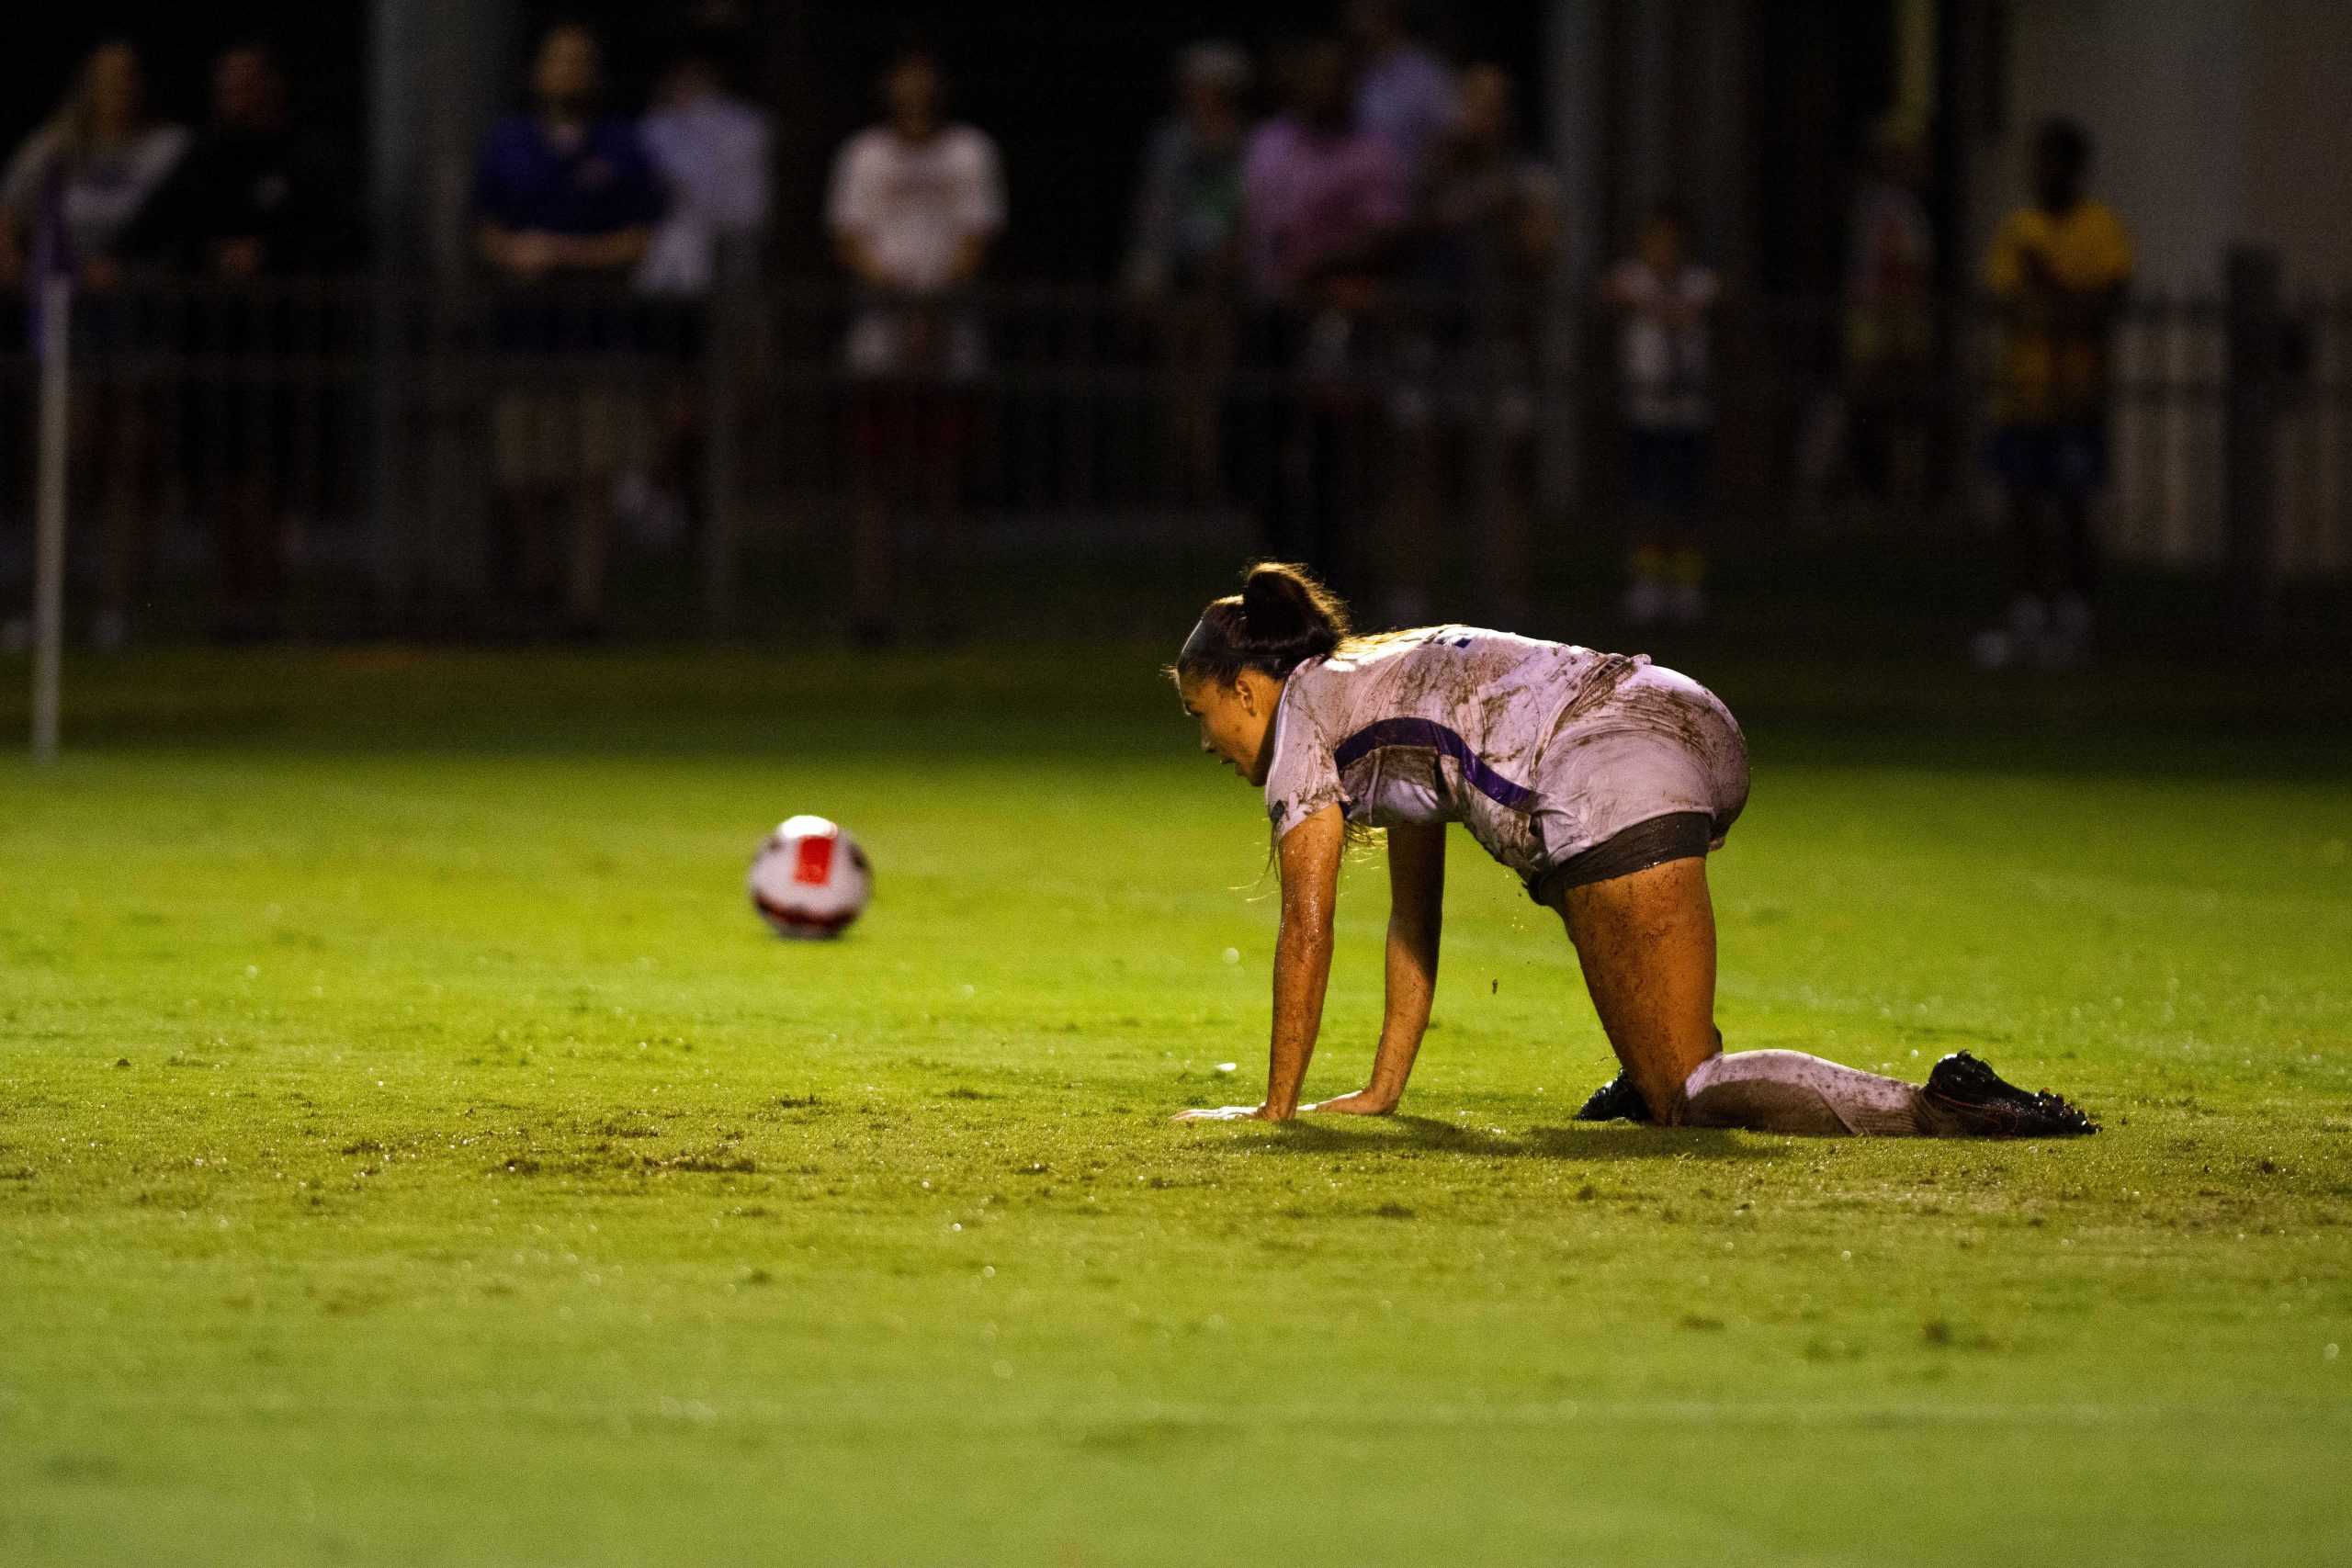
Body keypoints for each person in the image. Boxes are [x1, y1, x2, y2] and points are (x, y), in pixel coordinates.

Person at [1169, 561, 2098, 1137]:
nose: (1207, 742)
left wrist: (1276, 1110)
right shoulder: (1367, 685)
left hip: (1608, 766)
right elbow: (1415, 917)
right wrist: (1379, 1090)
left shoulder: (1299, 715)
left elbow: (1307, 929)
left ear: (1249, 688)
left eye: (1201, 714)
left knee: (1684, 1091)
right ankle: (1653, 1068)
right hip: (1680, 717)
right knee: (1663, 1080)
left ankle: (1943, 1105)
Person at [126, 41, 357, 642]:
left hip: (282, 351)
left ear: (273, 87)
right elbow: (150, 230)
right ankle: (231, 604)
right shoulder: (201, 157)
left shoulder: (306, 156)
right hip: (209, 350)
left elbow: (344, 237)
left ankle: (265, 604)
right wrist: (205, 258)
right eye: (228, 83)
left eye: (248, 82)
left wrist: (271, 257)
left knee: (268, 482)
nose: (237, 95)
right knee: (218, 482)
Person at [471, 22, 663, 637]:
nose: (570, 72)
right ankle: (539, 584)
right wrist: (516, 255)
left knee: (595, 470)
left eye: (582, 61)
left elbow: (641, 237)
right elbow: (484, 228)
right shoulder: (509, 143)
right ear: (536, 72)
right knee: (527, 469)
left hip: (600, 333)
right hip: (527, 333)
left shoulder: (622, 144)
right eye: (559, 60)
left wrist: (566, 256)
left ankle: (586, 606)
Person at [0, 39, 188, 649]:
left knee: (127, 467)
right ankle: (44, 607)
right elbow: (10, 221)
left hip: (138, 328)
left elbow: (190, 224)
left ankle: (116, 608)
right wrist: (31, 276)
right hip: (70, 330)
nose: (120, 88)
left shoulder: (165, 149)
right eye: (108, 77)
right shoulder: (55, 147)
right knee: (61, 468)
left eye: (130, 76)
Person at [825, 48, 1004, 645]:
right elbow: (849, 236)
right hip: (879, 343)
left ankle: (944, 614)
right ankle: (872, 614)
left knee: (942, 482)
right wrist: (897, 296)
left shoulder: (970, 151)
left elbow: (977, 234)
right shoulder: (863, 155)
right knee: (876, 481)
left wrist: (936, 302)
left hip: (950, 344)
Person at [1386, 62, 1559, 627]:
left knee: (1505, 471)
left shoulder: (1527, 177)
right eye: (1473, 104)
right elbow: (1399, 233)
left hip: (1497, 341)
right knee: (1417, 463)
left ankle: (1508, 601)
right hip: (1433, 334)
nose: (1482, 118)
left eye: (1495, 106)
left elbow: (1540, 251)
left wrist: (1505, 212)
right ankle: (1410, 599)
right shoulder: (1428, 173)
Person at [1238, 39, 1408, 582]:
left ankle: (1334, 570)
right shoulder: (1270, 141)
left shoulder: (1370, 150)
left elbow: (1384, 233)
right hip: (1270, 314)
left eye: (1334, 79)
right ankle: (1270, 565)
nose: (1323, 90)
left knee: (1334, 449)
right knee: (1261, 440)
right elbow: (1250, 219)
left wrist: (1319, 265)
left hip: (1337, 318)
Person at [1973, 118, 2132, 671]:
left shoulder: (2100, 228)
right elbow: (2011, 302)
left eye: (2054, 162)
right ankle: (2026, 614)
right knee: (2021, 508)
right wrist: (2062, 302)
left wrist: (2053, 290)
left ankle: (2074, 616)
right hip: (2024, 394)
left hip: (2077, 398)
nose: (2043, 174)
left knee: (2073, 510)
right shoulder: (2019, 227)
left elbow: (2108, 304)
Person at [628, 45, 774, 555]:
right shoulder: (651, 133)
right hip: (669, 290)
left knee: (731, 407)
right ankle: (658, 505)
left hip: (726, 286)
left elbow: (742, 213)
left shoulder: (743, 129)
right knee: (673, 408)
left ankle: (701, 518)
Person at [1123, 40, 1251, 509]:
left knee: (1216, 386)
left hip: (1229, 282)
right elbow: (1154, 213)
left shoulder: (1248, 142)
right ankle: (1190, 490)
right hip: (1178, 276)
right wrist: (1144, 269)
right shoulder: (1171, 143)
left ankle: (1217, 486)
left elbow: (1254, 207)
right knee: (1180, 387)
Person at [1602, 204, 1718, 627]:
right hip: (1645, 409)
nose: (1664, 250)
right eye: (1656, 241)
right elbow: (1610, 290)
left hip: (1688, 411)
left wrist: (1659, 304)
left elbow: (1714, 298)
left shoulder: (1697, 281)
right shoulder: (1634, 276)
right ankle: (1647, 583)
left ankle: (1685, 585)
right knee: (1646, 500)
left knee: (1686, 502)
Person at [1344, 0, 1457, 179]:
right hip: (1351, 192)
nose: (1357, 12)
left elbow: (1448, 141)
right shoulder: (1346, 72)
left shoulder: (1426, 74)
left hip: (1409, 192)